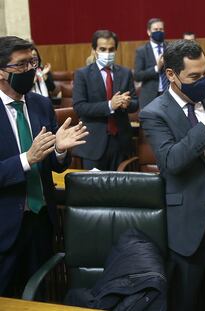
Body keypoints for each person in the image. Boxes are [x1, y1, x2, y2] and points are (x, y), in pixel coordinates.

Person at [140, 39, 205, 311]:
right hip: (186, 221)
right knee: (186, 299)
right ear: (172, 75)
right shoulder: (154, 113)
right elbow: (172, 160)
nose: (202, 81)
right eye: (194, 76)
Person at [0, 36, 88, 297]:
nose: (30, 70)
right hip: (5, 224)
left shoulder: (40, 104)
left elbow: (54, 165)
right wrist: (27, 158)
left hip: (41, 220)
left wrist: (60, 150)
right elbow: (32, 157)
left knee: (39, 293)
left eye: (33, 62)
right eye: (21, 65)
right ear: (1, 72)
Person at [73, 30, 138, 171]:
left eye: (111, 49)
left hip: (121, 142)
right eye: (102, 49)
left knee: (120, 190)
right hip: (94, 143)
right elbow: (79, 107)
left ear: (116, 49)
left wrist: (126, 104)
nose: (107, 53)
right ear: (94, 50)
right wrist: (110, 105)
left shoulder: (125, 73)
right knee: (94, 190)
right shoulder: (82, 74)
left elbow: (135, 104)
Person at [134, 18, 168, 109]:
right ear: (149, 32)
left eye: (161, 29)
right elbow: (137, 76)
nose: (159, 32)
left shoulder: (170, 48)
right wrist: (157, 68)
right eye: (155, 30)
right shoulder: (142, 51)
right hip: (149, 96)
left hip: (169, 93)